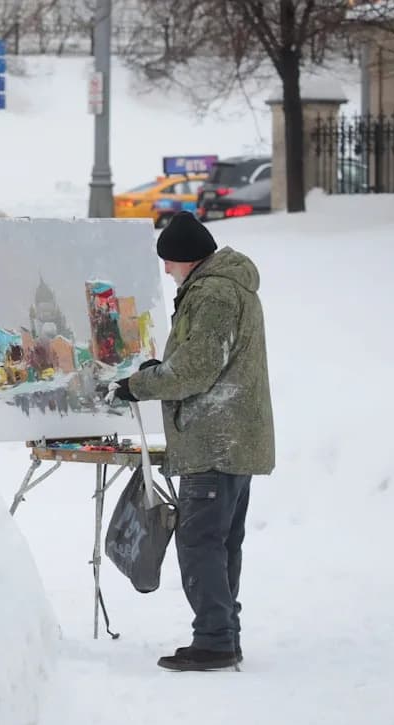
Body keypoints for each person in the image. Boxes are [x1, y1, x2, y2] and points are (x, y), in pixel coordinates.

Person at [112, 212, 275, 672]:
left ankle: (215, 641)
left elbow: (198, 370)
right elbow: (202, 360)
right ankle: (223, 635)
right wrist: (155, 372)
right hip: (230, 439)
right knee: (220, 542)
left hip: (216, 441)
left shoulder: (216, 293)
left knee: (200, 541)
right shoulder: (225, 288)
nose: (166, 271)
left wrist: (138, 386)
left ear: (186, 258)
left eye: (169, 262)